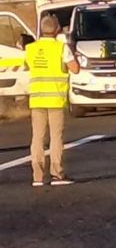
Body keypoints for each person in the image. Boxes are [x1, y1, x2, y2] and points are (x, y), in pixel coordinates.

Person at [24, 15, 80, 186]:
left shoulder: (30, 48)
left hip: (36, 99)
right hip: (55, 99)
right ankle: (57, 173)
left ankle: (37, 176)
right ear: (57, 30)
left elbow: (28, 67)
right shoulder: (61, 48)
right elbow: (75, 69)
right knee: (56, 137)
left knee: (37, 138)